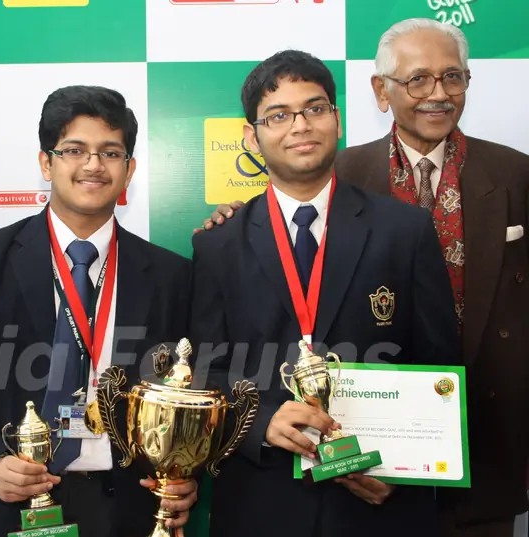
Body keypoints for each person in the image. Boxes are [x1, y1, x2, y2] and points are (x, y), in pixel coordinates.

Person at [199, 18, 529, 537]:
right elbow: (207, 369)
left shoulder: (406, 227)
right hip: (262, 500)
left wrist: (401, 465)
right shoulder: (218, 244)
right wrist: (262, 423)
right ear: (252, 134)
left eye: (314, 110)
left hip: (382, 499)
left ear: (337, 118)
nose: (300, 126)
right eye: (279, 115)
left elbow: (436, 360)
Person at [0, 85, 197, 537]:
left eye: (110, 152)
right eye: (75, 149)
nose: (93, 165)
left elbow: (187, 396)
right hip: (12, 501)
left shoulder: (171, 274)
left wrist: (182, 471)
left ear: (129, 168)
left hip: (129, 508)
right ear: (46, 162)